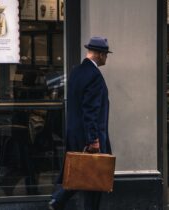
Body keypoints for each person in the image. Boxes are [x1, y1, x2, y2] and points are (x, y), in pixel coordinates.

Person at [49, 36, 113, 210]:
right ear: (99, 54)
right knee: (95, 179)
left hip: (75, 134)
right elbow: (90, 111)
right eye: (106, 54)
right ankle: (58, 200)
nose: (106, 58)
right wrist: (94, 140)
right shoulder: (95, 76)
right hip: (89, 136)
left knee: (81, 173)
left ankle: (58, 200)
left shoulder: (76, 71)